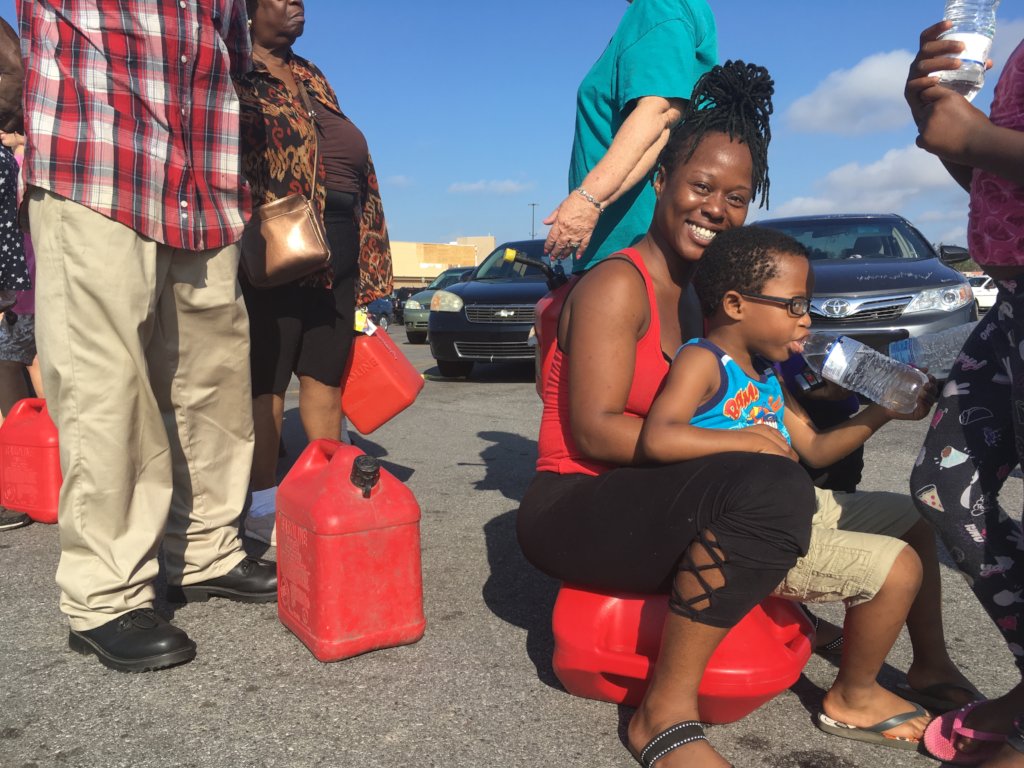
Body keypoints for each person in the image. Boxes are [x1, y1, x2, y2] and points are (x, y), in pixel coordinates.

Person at [519, 61, 816, 768]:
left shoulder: (705, 299)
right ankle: (662, 714)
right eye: (701, 186)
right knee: (763, 481)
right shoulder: (617, 286)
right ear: (660, 182)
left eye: (738, 198)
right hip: (574, 503)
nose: (717, 208)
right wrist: (742, 446)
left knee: (795, 461)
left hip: (647, 495)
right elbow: (592, 430)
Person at [640, 225, 979, 749]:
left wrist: (883, 412)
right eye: (795, 304)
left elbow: (815, 451)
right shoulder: (702, 360)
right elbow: (658, 438)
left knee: (914, 517)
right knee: (896, 566)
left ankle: (930, 663)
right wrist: (745, 441)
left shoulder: (769, 373)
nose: (806, 319)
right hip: (745, 534)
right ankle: (853, 695)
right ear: (734, 303)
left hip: (795, 504)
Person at [18, 0, 278, 673]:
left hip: (204, 180)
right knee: (107, 386)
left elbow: (228, 57)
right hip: (94, 154)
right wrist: (17, 82)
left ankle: (205, 552)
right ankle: (106, 593)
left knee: (213, 379)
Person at [905, 20, 1024, 768]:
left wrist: (976, 138)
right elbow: (998, 187)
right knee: (948, 487)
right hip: (1011, 300)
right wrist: (946, 131)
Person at [234, 0, 393, 546]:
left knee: (325, 376)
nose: (296, 5)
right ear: (248, 14)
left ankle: (324, 491)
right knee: (268, 382)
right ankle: (260, 506)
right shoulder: (234, 69)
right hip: (281, 238)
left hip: (340, 238)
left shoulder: (311, 74)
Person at [543, 0, 716, 271]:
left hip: (629, 255)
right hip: (631, 254)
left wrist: (588, 200)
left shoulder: (659, 5)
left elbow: (658, 115)